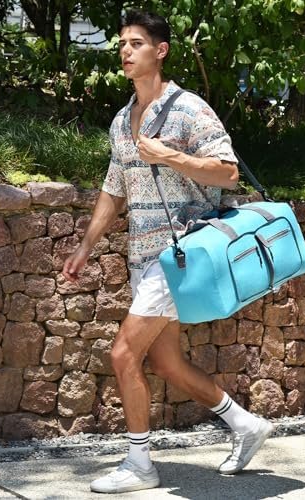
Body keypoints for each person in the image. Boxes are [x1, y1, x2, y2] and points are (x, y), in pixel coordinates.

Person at [62, 10, 273, 494]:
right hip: (144, 257)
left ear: (161, 51)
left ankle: (140, 464)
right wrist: (86, 246)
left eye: (136, 43)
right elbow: (114, 188)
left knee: (123, 354)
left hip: (181, 256)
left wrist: (171, 156)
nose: (125, 51)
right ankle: (245, 425)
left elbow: (228, 173)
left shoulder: (189, 109)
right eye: (122, 43)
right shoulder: (122, 121)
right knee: (166, 364)